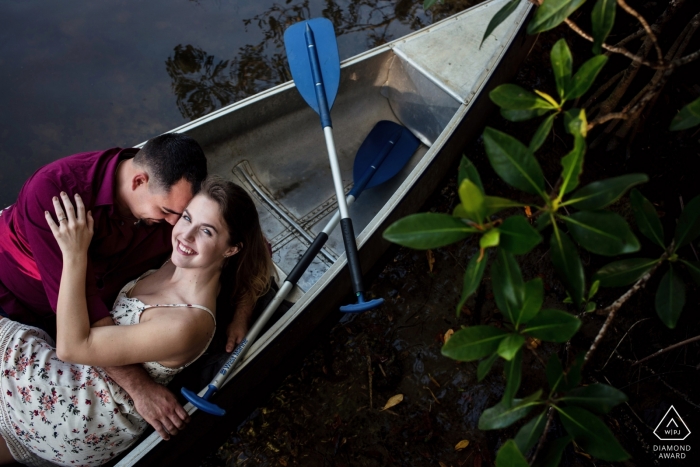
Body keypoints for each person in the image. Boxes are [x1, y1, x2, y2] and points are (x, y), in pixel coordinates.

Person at [0, 177, 273, 466]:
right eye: (187, 217)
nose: (185, 235)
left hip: (82, 414)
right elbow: (260, 248)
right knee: (12, 434)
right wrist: (243, 310)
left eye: (206, 231)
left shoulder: (187, 322)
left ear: (231, 249)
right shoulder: (184, 260)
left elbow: (71, 347)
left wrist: (74, 254)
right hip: (78, 421)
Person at [0, 133, 211, 437]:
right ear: (138, 181)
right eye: (166, 212)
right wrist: (141, 389)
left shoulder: (167, 212)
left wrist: (243, 308)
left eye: (181, 214)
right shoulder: (54, 193)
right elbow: (82, 306)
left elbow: (238, 239)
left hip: (73, 332)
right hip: (11, 305)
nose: (173, 225)